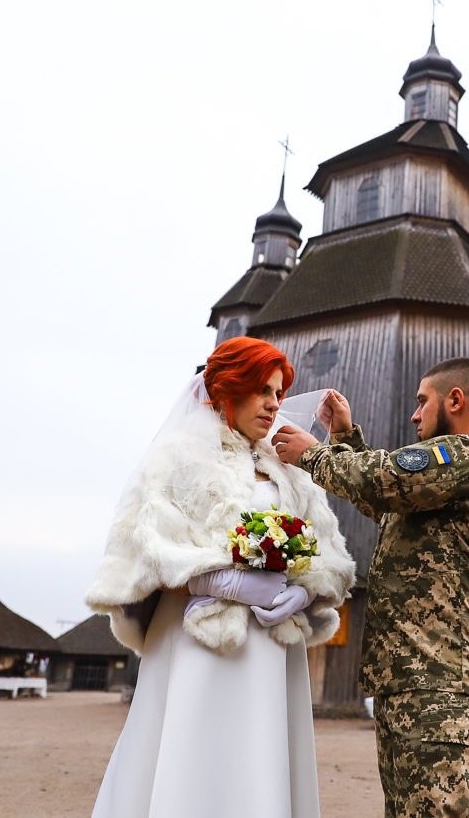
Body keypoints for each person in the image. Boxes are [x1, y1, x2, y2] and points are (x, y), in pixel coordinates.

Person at [84, 336, 355, 818]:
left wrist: (303, 590)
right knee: (194, 755)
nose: (276, 404)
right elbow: (139, 554)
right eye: (264, 391)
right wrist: (216, 582)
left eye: (279, 392)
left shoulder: (288, 468)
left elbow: (329, 555)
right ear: (230, 388)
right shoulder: (178, 456)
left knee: (262, 758)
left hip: (271, 648)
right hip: (197, 641)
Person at [273, 357, 469, 818]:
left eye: (422, 401)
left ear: (456, 400)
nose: (414, 414)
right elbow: (389, 503)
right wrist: (346, 439)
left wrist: (312, 452)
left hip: (447, 683)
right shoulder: (444, 480)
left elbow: (387, 480)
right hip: (417, 679)